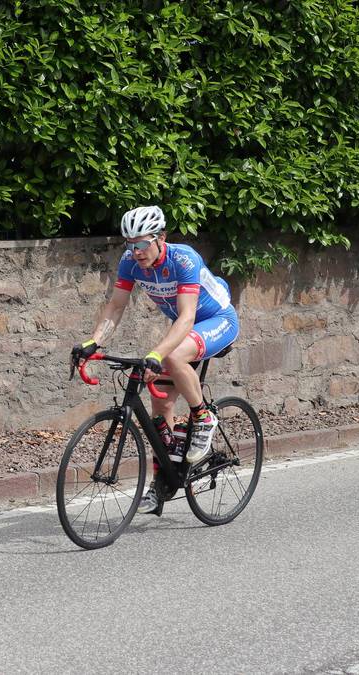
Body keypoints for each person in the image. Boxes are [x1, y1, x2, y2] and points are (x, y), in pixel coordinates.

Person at [71, 206, 240, 515]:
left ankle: (203, 418)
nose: (135, 251)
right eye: (129, 244)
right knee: (159, 406)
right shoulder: (130, 263)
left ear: (161, 238)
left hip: (217, 320)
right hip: (185, 327)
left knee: (172, 356)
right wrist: (93, 341)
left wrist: (157, 354)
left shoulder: (183, 259)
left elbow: (187, 317)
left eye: (141, 243)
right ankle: (163, 479)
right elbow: (116, 306)